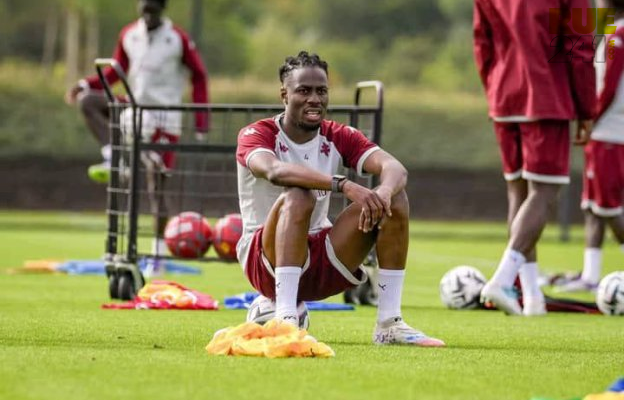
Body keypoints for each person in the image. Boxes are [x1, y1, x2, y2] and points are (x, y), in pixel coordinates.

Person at [235, 51, 445, 346]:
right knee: (298, 194)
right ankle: (285, 319)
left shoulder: (338, 134)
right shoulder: (257, 133)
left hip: (320, 258)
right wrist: (343, 185)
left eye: (321, 91)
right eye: (304, 91)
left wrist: (383, 193)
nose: (314, 99)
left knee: (395, 200)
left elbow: (395, 168)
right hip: (265, 261)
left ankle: (389, 324)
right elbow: (274, 171)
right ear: (284, 95)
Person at [473, 0, 596, 315]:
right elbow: (580, 47)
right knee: (544, 192)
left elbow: (482, 43)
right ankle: (502, 280)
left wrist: (494, 90)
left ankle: (532, 297)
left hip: (504, 96)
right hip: (547, 97)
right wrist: (587, 109)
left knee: (518, 193)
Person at [64, 0, 210, 262]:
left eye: (153, 10)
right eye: (144, 10)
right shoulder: (129, 34)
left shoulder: (177, 39)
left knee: (157, 187)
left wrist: (201, 121)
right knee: (89, 102)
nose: (148, 15)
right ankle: (113, 155)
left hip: (165, 118)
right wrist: (85, 84)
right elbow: (115, 72)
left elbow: (199, 76)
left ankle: (157, 254)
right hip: (135, 109)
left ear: (162, 9)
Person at [558, 0, 624, 293]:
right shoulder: (612, 32)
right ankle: (590, 276)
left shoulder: (617, 36)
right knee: (593, 207)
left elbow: (608, 87)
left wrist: (589, 119)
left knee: (608, 208)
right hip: (606, 133)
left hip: (609, 133)